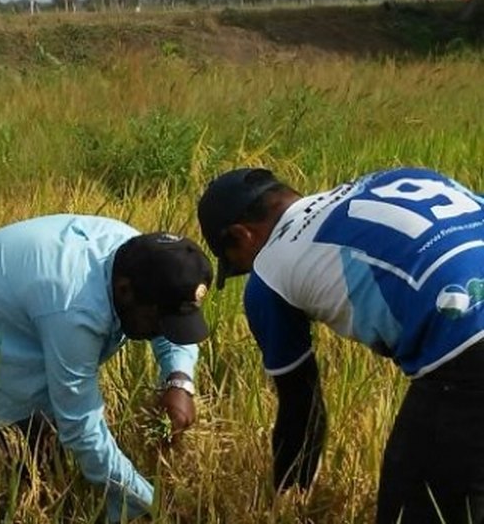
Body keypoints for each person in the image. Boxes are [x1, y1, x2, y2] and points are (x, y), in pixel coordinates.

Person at [198, 166, 484, 524]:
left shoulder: (268, 270)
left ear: (241, 235)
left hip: (465, 342)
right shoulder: (395, 178)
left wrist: (286, 498)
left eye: (237, 265)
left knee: (412, 509)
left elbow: (302, 405)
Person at [0, 214, 213, 521]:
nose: (162, 332)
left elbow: (171, 318)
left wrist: (179, 380)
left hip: (11, 347)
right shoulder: (74, 307)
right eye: (158, 322)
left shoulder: (140, 258)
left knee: (37, 476)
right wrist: (151, 505)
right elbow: (81, 428)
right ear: (125, 292)